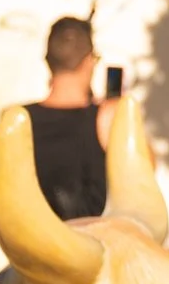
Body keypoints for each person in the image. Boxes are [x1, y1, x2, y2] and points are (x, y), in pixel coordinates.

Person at [29, 14, 112, 223]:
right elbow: (143, 172)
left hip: (31, 249)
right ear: (89, 62)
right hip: (92, 247)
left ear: (48, 61)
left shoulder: (19, 119)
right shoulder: (106, 118)